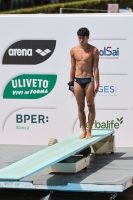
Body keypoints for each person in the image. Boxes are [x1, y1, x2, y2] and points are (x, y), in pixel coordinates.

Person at [68, 27, 99, 139]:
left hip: (88, 79)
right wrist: (70, 84)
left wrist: (97, 84)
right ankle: (83, 130)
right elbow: (72, 67)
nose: (81, 40)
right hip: (77, 80)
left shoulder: (94, 50)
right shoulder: (73, 50)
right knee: (80, 106)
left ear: (88, 38)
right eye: (79, 38)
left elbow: (96, 68)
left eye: (83, 38)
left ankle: (89, 131)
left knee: (91, 105)